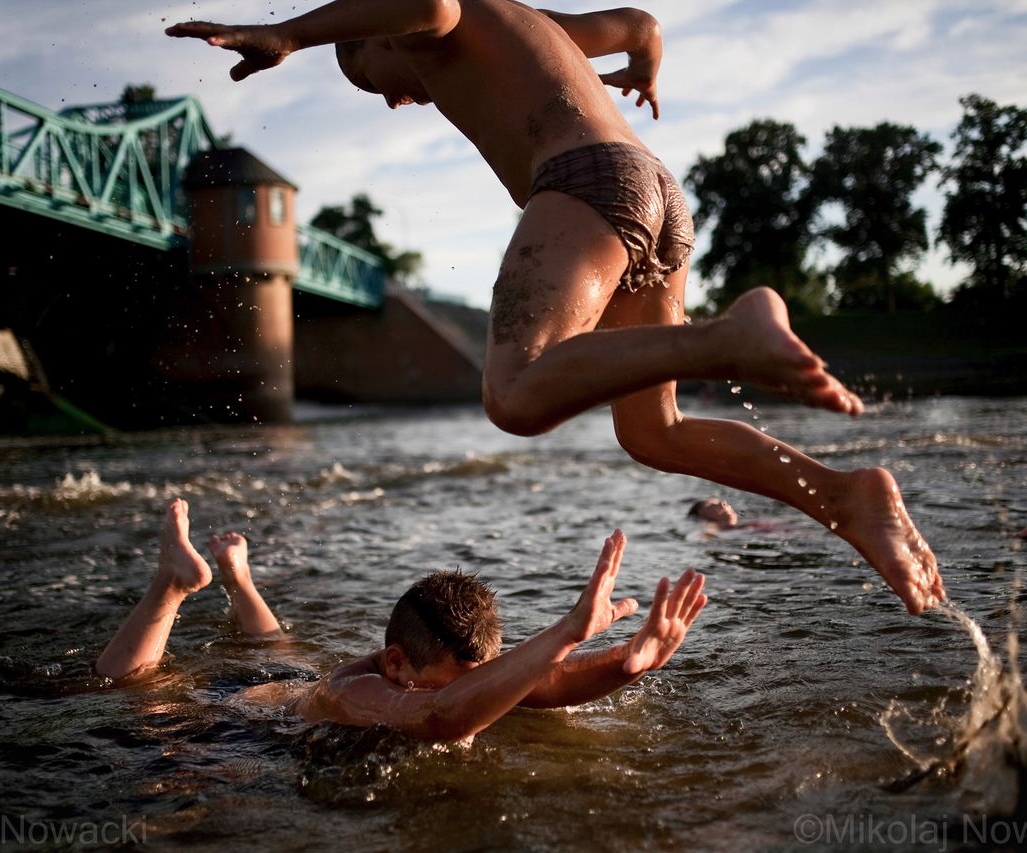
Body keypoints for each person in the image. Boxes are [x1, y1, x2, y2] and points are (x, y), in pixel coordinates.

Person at [165, 0, 945, 614]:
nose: (397, 99)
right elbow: (642, 26)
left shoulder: (440, 19)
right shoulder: (535, 24)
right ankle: (843, 494)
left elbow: (427, 5)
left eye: (373, 75)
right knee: (654, 431)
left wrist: (290, 36)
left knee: (513, 391)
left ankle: (729, 337)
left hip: (588, 183)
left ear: (381, 34)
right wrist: (644, 72)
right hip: (657, 192)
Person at [96, 499, 708, 741]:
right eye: (456, 681)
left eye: (477, 677)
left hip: (289, 678)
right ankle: (172, 586)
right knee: (136, 697)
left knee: (275, 646)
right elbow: (441, 715)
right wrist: (569, 629)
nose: (475, 691)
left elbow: (542, 682)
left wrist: (630, 663)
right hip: (241, 712)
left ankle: (238, 575)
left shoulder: (444, 670)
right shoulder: (357, 692)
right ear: (396, 664)